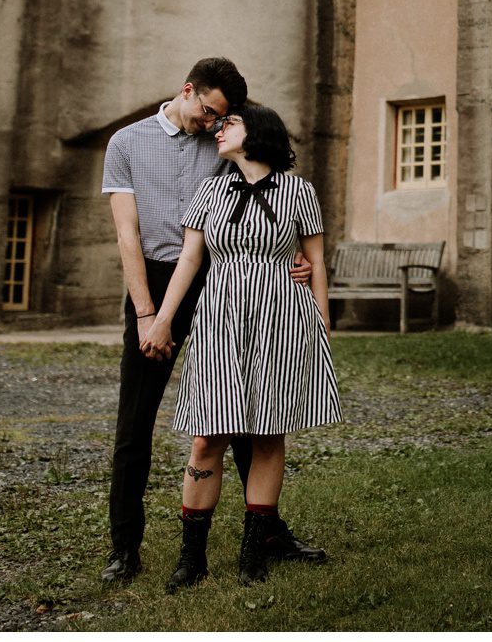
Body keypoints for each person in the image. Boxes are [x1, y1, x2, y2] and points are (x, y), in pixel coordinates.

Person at [98, 58, 326, 583]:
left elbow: (261, 199)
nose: (212, 123)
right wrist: (147, 314)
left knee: (245, 416)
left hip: (224, 281)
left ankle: (267, 534)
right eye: (208, 111)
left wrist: (295, 257)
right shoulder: (127, 143)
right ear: (187, 91)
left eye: (221, 118)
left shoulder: (223, 142)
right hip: (158, 283)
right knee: (135, 423)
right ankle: (124, 547)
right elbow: (127, 235)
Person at [148, 101, 339, 590]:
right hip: (220, 320)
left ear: (258, 132)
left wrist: (322, 325)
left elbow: (316, 262)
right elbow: (189, 260)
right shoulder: (210, 190)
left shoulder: (300, 192)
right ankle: (192, 558)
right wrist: (163, 319)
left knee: (268, 434)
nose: (219, 129)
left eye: (229, 123)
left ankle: (253, 553)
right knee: (206, 438)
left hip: (284, 321)